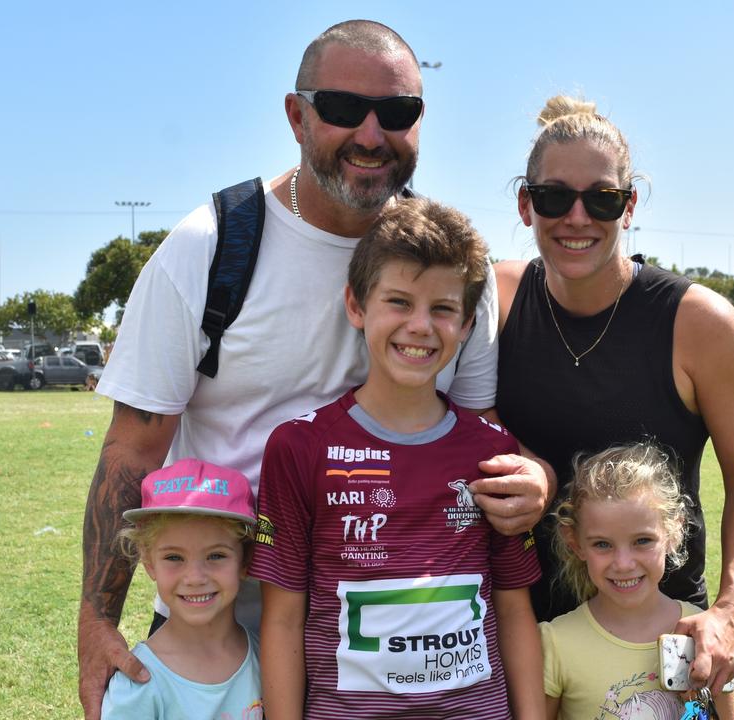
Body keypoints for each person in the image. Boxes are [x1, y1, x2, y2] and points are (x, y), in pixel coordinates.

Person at [79, 20, 549, 720]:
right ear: (297, 116)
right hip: (218, 634)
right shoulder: (210, 248)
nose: (369, 133)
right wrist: (97, 620)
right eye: (340, 108)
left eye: (396, 113)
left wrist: (530, 476)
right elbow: (133, 449)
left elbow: (478, 433)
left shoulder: (453, 266)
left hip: (408, 654)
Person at [494, 96, 734, 700]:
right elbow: (453, 413)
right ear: (525, 204)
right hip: (523, 627)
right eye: (553, 198)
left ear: (630, 206)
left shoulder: (699, 322)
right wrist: (528, 461)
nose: (577, 218)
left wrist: (732, 610)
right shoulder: (496, 299)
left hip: (663, 640)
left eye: (601, 198)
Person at [251, 198, 543, 719]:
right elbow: (281, 619)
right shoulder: (298, 448)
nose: (421, 326)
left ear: (468, 324)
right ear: (356, 306)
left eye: (443, 309)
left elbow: (514, 608)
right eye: (399, 302)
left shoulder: (492, 453)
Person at [541, 444, 734, 720]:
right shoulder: (555, 642)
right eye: (602, 544)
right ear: (575, 543)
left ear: (673, 531)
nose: (623, 563)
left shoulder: (704, 633)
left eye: (642, 541)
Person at [102, 459, 262, 719]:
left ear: (245, 559)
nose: (195, 578)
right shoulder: (139, 684)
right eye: (174, 558)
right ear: (148, 560)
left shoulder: (263, 657)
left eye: (216, 556)